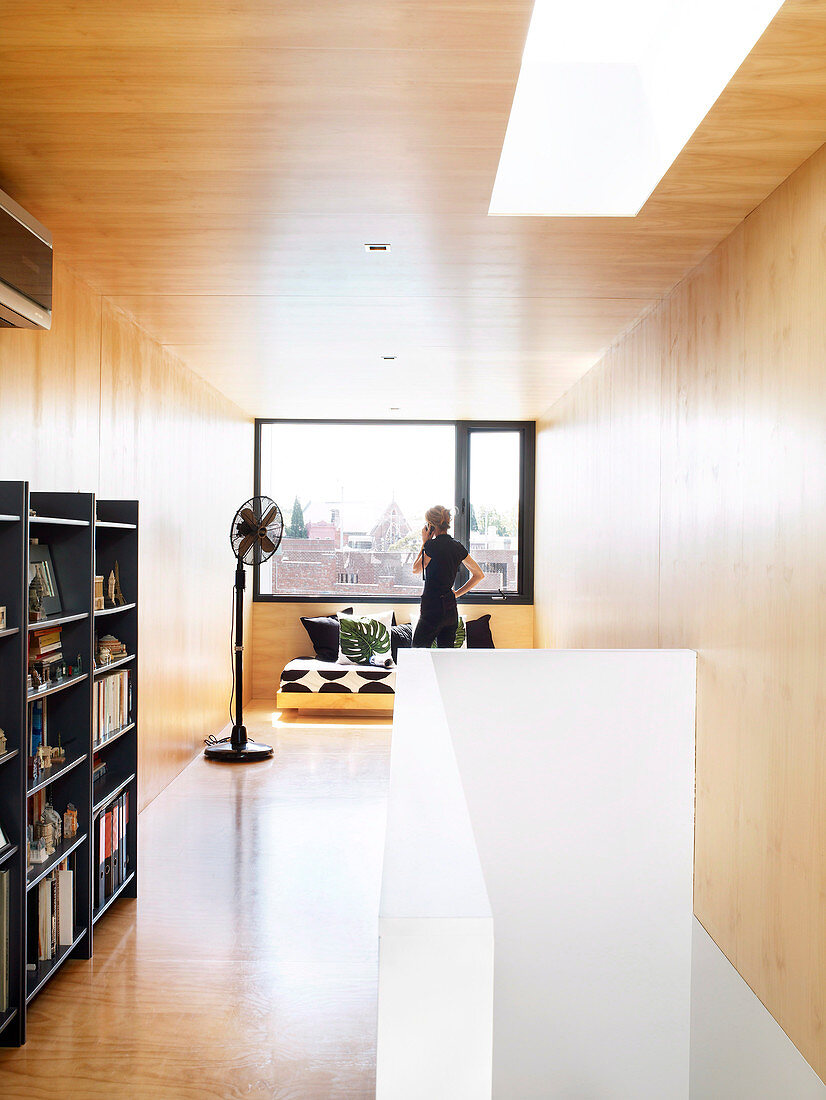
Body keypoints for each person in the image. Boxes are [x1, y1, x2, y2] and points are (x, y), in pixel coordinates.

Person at [411, 505, 485, 648]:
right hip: (451, 610)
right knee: (446, 659)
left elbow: (416, 569)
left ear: (431, 525)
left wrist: (424, 543)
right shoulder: (457, 546)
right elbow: (479, 575)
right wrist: (456, 594)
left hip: (432, 609)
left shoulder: (432, 546)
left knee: (417, 654)